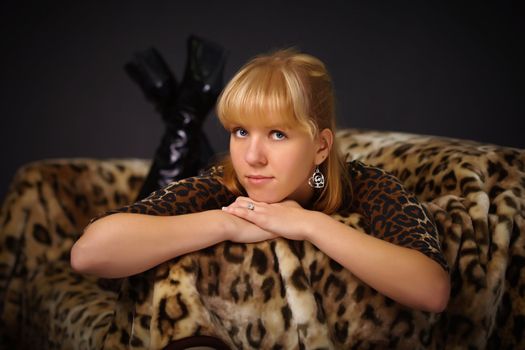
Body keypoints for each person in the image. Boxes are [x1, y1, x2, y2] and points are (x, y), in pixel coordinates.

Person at [71, 48, 450, 313]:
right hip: (190, 196)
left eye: (278, 134)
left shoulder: (365, 185)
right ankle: (182, 110)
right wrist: (227, 222)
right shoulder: (225, 184)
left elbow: (431, 291)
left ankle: (181, 106)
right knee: (182, 171)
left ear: (321, 147)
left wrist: (309, 223)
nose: (252, 156)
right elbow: (88, 254)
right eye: (239, 132)